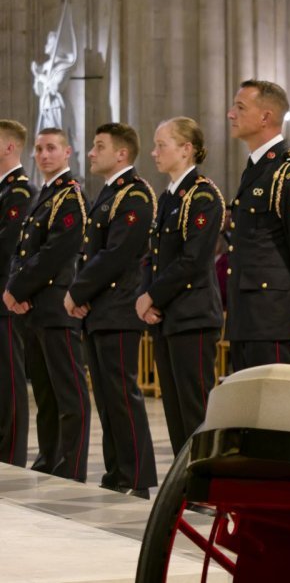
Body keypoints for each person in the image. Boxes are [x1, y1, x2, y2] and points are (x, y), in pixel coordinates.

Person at [66, 123, 158, 497]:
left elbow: (117, 254)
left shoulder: (133, 194)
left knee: (122, 394)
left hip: (119, 308)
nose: (91, 152)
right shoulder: (108, 195)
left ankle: (136, 477)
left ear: (121, 154)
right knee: (105, 396)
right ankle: (117, 471)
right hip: (100, 309)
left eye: (98, 146)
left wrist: (77, 290)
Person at [3, 128, 91, 481]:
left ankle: (71, 467)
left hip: (57, 305)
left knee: (69, 394)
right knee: (45, 392)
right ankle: (49, 460)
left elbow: (57, 252)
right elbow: (22, 251)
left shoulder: (71, 196)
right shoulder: (44, 195)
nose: (43, 155)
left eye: (51, 148)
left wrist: (17, 288)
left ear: (68, 152)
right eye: (39, 149)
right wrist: (17, 290)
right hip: (35, 306)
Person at [136, 118, 225, 455]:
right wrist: (146, 297)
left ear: (186, 149)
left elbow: (193, 260)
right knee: (173, 410)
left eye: (162, 145)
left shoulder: (203, 195)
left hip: (193, 316)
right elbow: (153, 257)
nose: (154, 152)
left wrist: (151, 295)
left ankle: (203, 485)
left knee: (193, 409)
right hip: (167, 317)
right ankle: (183, 482)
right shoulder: (170, 196)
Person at [225, 79, 290, 370]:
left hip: (272, 316)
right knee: (247, 412)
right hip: (247, 314)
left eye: (240, 107)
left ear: (265, 116)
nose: (231, 114)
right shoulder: (257, 169)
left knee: (276, 410)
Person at [0, 120, 32, 468]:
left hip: (5, 297)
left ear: (9, 147)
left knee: (9, 380)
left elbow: (8, 245)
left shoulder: (20, 192)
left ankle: (11, 456)